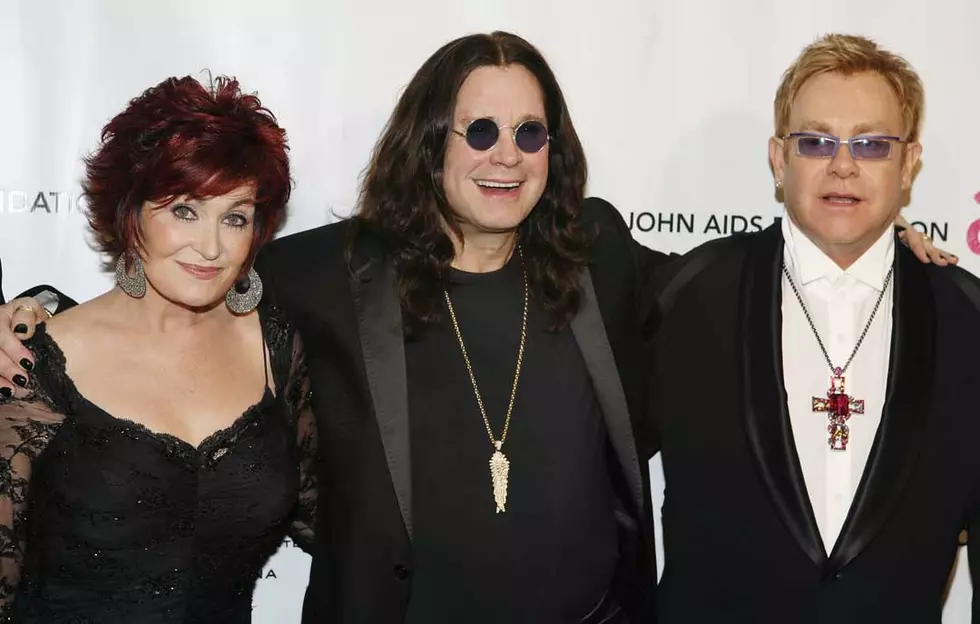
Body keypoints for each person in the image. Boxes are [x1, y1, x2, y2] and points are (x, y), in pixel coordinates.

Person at [0, 31, 958, 624]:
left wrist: (878, 236)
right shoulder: (326, 272)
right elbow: (186, 267)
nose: (507, 157)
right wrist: (34, 312)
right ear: (433, 142)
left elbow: (759, 279)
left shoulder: (602, 253)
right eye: (481, 131)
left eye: (531, 133)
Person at [647, 34, 980, 623]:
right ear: (779, 159)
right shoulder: (688, 294)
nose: (843, 164)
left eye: (873, 144)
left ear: (909, 164)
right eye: (817, 141)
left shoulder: (966, 318)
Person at [0, 75, 317, 622]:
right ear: (130, 212)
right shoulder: (31, 360)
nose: (212, 247)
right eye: (185, 210)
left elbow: (334, 518)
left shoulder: (279, 349)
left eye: (235, 217)